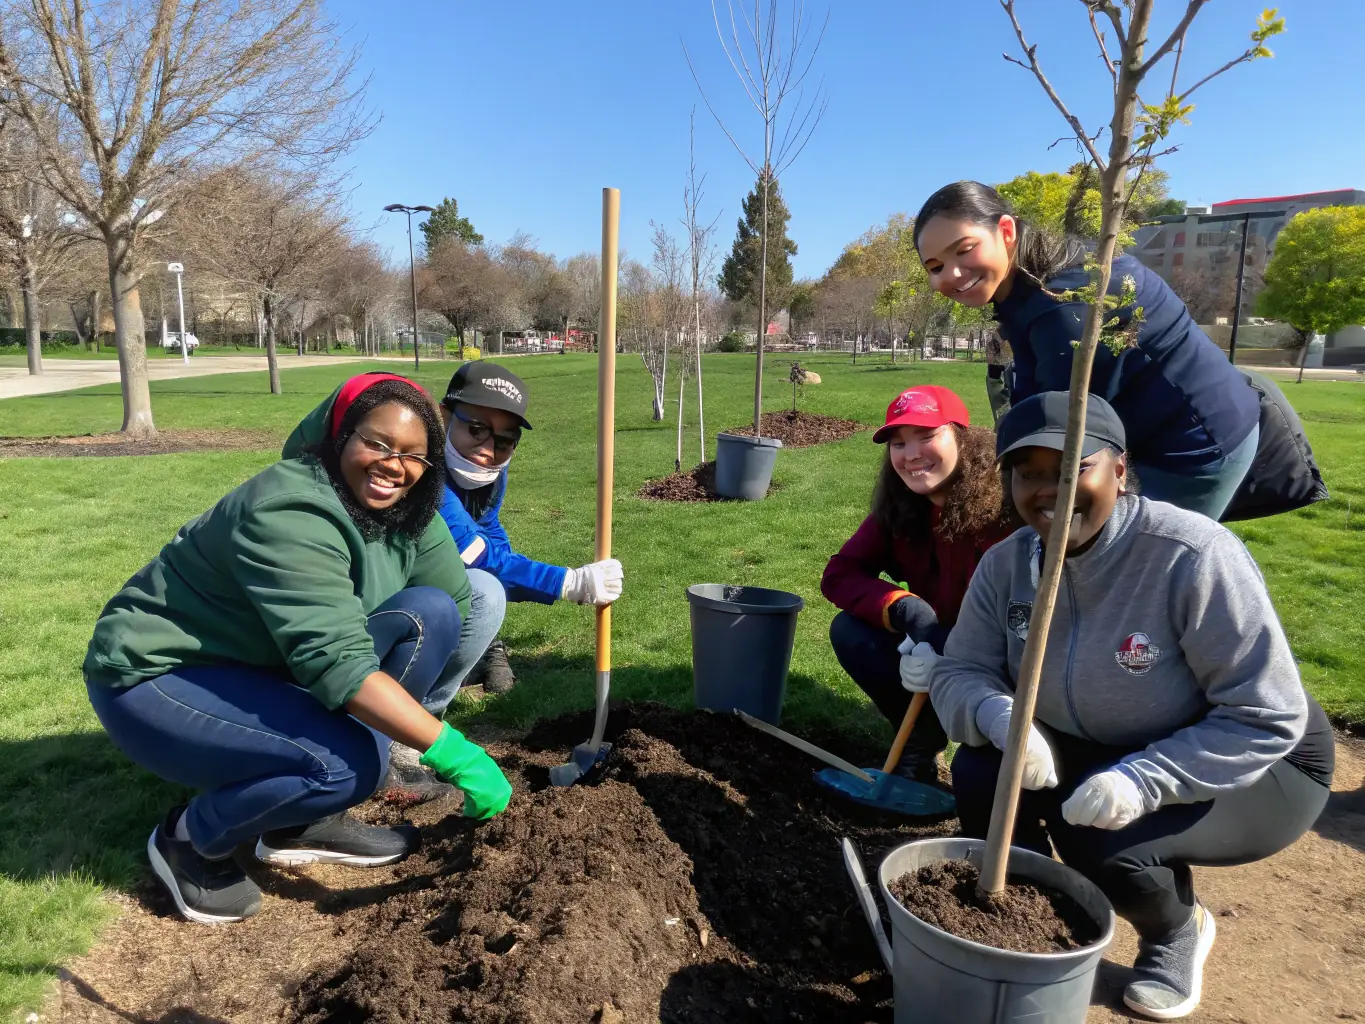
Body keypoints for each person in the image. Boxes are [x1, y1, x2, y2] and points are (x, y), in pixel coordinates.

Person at [919, 391, 1334, 1020]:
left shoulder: (1188, 556)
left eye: (1070, 468)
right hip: (1102, 740)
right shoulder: (1006, 565)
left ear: (1118, 468)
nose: (1047, 490)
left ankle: (1176, 931)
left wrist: (1146, 780)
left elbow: (1266, 713)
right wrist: (995, 714)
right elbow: (961, 669)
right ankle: (1027, 913)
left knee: (1102, 840)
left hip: (1261, 760)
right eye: (1028, 473)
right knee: (981, 772)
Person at [85, 372, 513, 925]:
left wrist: (421, 523)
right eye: (376, 443)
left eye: (412, 455)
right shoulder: (290, 509)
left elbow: (450, 599)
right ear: (340, 436)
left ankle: (295, 823)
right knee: (344, 766)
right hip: (159, 676)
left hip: (256, 663)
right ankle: (189, 838)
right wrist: (456, 753)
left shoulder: (400, 505)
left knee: (428, 614)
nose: (392, 465)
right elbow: (338, 665)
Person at [283, 362, 623, 803]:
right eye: (477, 428)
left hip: (399, 584)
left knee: (484, 589)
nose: (489, 448)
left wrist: (548, 581)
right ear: (445, 416)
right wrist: (568, 582)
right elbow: (474, 553)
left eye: (505, 439)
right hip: (347, 604)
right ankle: (395, 731)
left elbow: (492, 537)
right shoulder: (418, 466)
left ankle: (418, 727)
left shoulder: (486, 476)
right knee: (479, 591)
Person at [913, 181, 1262, 521]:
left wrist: (971, 488)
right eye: (936, 267)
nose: (953, 274)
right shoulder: (1030, 288)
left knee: (1142, 565)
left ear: (1006, 231)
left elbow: (1054, 435)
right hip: (1154, 432)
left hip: (1191, 447)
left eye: (964, 249)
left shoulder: (1066, 307)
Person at [819, 385, 1012, 783]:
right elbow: (840, 573)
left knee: (978, 776)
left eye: (927, 437)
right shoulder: (901, 506)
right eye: (898, 443)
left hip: (1002, 661)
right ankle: (919, 743)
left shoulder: (1005, 511)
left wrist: (950, 647)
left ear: (963, 437)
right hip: (933, 639)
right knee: (852, 632)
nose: (910, 455)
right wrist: (905, 609)